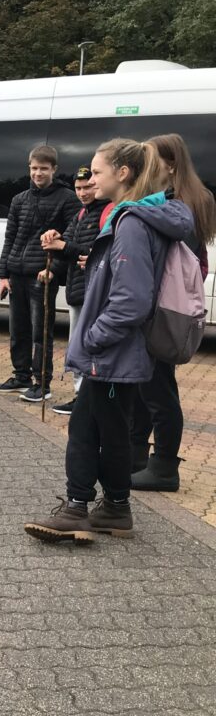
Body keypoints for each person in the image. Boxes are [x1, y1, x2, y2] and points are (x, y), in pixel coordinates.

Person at [24, 138, 193, 544]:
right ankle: (115, 508)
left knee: (87, 429)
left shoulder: (131, 222)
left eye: (97, 171)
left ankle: (78, 508)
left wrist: (93, 338)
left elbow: (131, 299)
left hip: (113, 350)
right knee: (110, 428)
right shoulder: (138, 216)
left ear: (123, 173)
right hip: (121, 349)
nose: (91, 178)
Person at [130, 134, 216, 492]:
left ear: (171, 164)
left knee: (158, 390)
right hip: (164, 306)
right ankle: (137, 455)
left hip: (163, 308)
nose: (146, 167)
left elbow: (174, 261)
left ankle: (164, 466)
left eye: (151, 159)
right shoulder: (187, 198)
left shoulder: (178, 204)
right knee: (147, 385)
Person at [0, 145, 80, 403]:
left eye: (43, 168)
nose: (38, 173)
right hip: (16, 274)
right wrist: (3, 274)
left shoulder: (67, 199)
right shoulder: (19, 199)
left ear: (54, 169)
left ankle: (42, 384)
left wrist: (53, 270)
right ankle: (21, 376)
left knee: (40, 333)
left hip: (42, 276)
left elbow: (71, 239)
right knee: (17, 330)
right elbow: (10, 238)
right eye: (34, 168)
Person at [40, 166, 109, 416]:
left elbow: (96, 252)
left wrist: (63, 246)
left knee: (87, 345)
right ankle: (81, 396)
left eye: (87, 187)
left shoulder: (107, 212)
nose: (82, 193)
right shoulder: (81, 214)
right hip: (77, 290)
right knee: (77, 345)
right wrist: (54, 238)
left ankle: (86, 398)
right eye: (78, 188)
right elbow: (66, 244)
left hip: (93, 292)